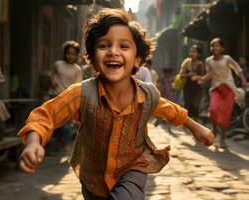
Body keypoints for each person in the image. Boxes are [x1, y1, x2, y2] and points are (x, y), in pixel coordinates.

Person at [18, 8, 214, 200]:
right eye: (103, 46)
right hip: (93, 178)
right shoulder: (82, 93)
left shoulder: (147, 95)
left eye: (124, 46)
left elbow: (171, 111)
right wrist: (34, 141)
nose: (113, 51)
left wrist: (196, 128)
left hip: (132, 168)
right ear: (93, 58)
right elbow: (46, 115)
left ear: (137, 60)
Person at [193, 38, 247, 149]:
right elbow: (210, 75)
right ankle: (214, 129)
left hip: (228, 89)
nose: (215, 48)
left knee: (225, 117)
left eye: (217, 45)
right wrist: (201, 78)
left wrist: (243, 79)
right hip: (216, 89)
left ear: (222, 48)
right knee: (213, 111)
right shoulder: (209, 61)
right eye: (212, 46)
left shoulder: (227, 59)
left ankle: (222, 140)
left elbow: (237, 68)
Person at [49, 40, 82, 151]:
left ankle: (63, 143)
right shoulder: (58, 64)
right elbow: (52, 74)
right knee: (54, 123)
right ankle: (54, 144)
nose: (70, 56)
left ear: (77, 55)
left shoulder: (77, 69)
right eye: (68, 53)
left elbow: (77, 86)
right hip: (54, 97)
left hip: (67, 100)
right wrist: (52, 80)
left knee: (67, 124)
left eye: (73, 54)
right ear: (65, 53)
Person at [180, 45, 205, 121]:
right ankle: (188, 124)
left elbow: (203, 76)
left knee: (195, 105)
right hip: (187, 87)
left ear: (199, 54)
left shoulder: (201, 64)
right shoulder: (187, 62)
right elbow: (180, 75)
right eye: (191, 51)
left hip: (197, 88)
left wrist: (199, 79)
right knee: (187, 105)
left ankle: (196, 123)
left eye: (194, 51)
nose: (191, 53)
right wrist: (188, 75)